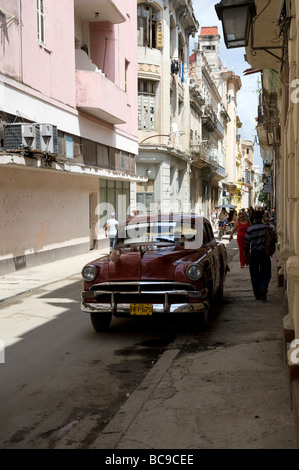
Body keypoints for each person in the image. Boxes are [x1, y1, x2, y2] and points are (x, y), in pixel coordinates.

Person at [244, 210, 271, 301]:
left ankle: (257, 294)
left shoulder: (250, 229)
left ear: (254, 218)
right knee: (266, 272)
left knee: (254, 274)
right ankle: (263, 286)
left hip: (254, 253)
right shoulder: (265, 227)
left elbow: (246, 244)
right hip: (264, 253)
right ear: (262, 217)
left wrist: (246, 255)